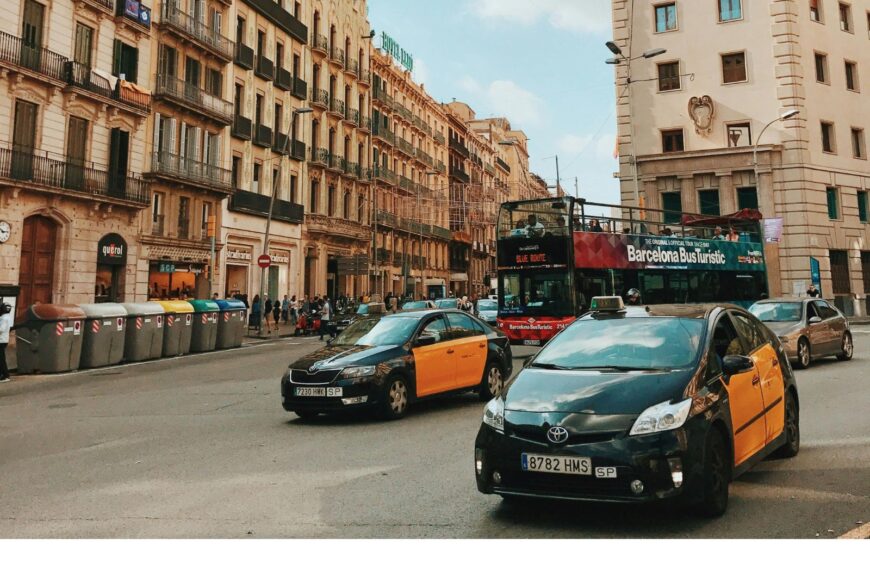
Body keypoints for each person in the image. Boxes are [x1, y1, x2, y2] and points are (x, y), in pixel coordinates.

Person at [0, 300, 13, 383]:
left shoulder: (3, 318)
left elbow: (1, 329)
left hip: (0, 340)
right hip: (4, 339)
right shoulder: (8, 317)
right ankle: (4, 374)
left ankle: (5, 375)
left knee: (1, 359)